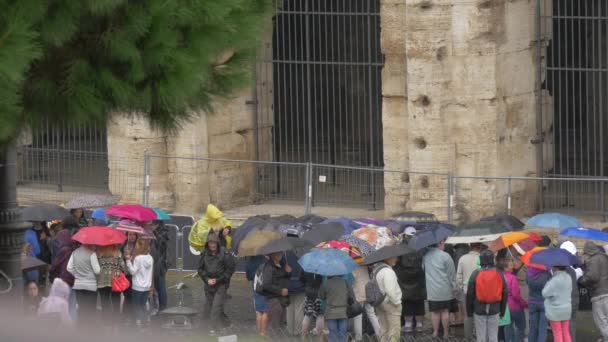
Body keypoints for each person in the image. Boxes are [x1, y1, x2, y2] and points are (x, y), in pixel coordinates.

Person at [466, 250, 508, 342]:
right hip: (495, 309)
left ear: (480, 260)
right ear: (492, 259)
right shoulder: (499, 273)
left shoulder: (475, 273)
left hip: (479, 309)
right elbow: (504, 293)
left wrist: (469, 311)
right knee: (493, 336)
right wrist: (502, 311)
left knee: (481, 336)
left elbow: (470, 294)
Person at [197, 232, 235, 332]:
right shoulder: (204, 254)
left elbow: (230, 270)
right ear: (207, 244)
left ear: (217, 243)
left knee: (216, 306)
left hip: (221, 284)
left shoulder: (225, 254)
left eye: (214, 242)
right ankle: (227, 324)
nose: (212, 245)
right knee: (213, 306)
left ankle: (212, 329)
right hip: (208, 284)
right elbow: (200, 269)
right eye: (210, 243)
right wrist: (207, 279)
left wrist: (217, 280)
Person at [423, 239, 457, 339]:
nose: (444, 244)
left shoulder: (426, 256)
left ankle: (435, 332)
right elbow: (451, 274)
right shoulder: (445, 256)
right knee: (445, 311)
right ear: (439, 243)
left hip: (432, 290)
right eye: (443, 242)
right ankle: (446, 333)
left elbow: (423, 269)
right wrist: (454, 287)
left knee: (435, 312)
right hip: (445, 289)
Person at [579, 241, 608, 342]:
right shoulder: (605, 257)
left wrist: (582, 280)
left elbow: (593, 277)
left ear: (588, 252)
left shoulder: (593, 259)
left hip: (599, 294)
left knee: (601, 322)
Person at [394, 247, 426, 333]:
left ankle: (408, 325)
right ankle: (419, 325)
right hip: (418, 287)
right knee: (419, 304)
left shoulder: (401, 250)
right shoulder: (419, 248)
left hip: (405, 288)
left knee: (407, 304)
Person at [260, 251, 291, 336]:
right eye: (277, 253)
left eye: (280, 253)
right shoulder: (268, 267)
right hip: (273, 299)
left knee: (282, 324)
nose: (280, 255)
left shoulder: (281, 265)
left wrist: (288, 273)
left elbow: (282, 279)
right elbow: (266, 285)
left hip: (282, 299)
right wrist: (280, 291)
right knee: (274, 325)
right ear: (271, 255)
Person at [67, 244, 100, 323]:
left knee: (82, 308)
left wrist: (76, 275)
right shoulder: (92, 254)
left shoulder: (74, 253)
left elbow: (69, 268)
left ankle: (81, 329)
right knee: (91, 310)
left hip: (78, 285)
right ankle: (89, 330)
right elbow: (97, 271)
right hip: (91, 286)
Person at [457, 242, 483, 339]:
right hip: (479, 291)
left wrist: (462, 286)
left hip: (466, 291)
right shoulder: (481, 258)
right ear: (480, 247)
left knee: (467, 315)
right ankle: (478, 334)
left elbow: (458, 276)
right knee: (478, 314)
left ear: (470, 247)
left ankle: (468, 336)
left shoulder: (462, 258)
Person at [126, 239, 154, 327]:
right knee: (143, 304)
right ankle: (145, 320)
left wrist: (128, 261)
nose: (135, 248)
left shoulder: (138, 258)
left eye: (137, 246)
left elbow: (133, 271)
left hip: (137, 286)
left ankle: (140, 322)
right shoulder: (150, 258)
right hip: (146, 286)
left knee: (136, 306)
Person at [375, 256, 402, 342]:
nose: (396, 259)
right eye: (394, 257)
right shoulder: (388, 272)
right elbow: (390, 291)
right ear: (387, 258)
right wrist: (397, 303)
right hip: (390, 304)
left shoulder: (377, 270)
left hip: (380, 303)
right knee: (394, 330)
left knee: (383, 329)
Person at [96, 245, 125, 326]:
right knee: (116, 302)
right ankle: (116, 322)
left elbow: (96, 267)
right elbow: (123, 267)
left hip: (102, 281)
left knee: (104, 303)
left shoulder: (99, 253)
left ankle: (106, 323)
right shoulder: (118, 253)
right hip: (115, 281)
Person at [542, 265, 572, 342]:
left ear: (556, 268)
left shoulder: (554, 280)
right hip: (567, 309)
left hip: (555, 311)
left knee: (557, 333)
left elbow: (544, 293)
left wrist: (548, 283)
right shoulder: (568, 277)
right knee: (566, 332)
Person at [319, 275, 352, 342]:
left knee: (332, 334)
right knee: (342, 334)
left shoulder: (325, 283)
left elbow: (322, 297)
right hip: (343, 312)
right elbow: (351, 296)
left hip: (331, 313)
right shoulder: (345, 282)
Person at [501, 257, 527, 342]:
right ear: (505, 267)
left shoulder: (499, 277)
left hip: (505, 307)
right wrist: (524, 303)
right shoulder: (513, 278)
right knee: (521, 327)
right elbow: (515, 294)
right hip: (515, 306)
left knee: (508, 327)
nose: (513, 267)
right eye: (510, 265)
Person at [352, 265, 381, 340]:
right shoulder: (365, 263)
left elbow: (352, 280)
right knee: (371, 314)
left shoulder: (352, 267)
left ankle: (358, 338)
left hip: (358, 292)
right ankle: (380, 335)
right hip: (368, 291)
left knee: (358, 316)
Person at [560, 241, 581, 341]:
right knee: (571, 324)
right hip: (573, 300)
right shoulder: (574, 270)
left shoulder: (559, 269)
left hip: (565, 301)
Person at [527, 264, 551, 342]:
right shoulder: (546, 274)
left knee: (533, 327)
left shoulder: (528, 273)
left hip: (532, 302)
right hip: (544, 303)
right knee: (542, 328)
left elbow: (527, 283)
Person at [285, 250, 306, 336]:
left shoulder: (285, 255)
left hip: (288, 285)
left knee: (289, 308)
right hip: (300, 286)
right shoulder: (303, 255)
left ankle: (290, 330)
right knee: (299, 309)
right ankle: (297, 331)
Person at [150, 220, 170, 313]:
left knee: (160, 286)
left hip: (160, 264)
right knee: (156, 285)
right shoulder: (158, 232)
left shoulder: (162, 233)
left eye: (152, 224)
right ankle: (158, 307)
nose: (151, 225)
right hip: (157, 262)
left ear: (157, 224)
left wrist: (153, 233)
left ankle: (163, 308)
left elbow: (160, 246)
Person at [246, 255, 268, 337]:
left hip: (256, 287)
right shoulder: (266, 261)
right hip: (266, 289)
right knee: (265, 311)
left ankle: (259, 331)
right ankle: (263, 332)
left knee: (258, 311)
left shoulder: (250, 262)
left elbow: (248, 277)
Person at [300, 271, 325, 338]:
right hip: (320, 293)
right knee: (320, 314)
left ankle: (303, 337)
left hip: (308, 293)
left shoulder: (307, 266)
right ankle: (320, 338)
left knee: (308, 314)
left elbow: (301, 279)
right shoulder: (323, 266)